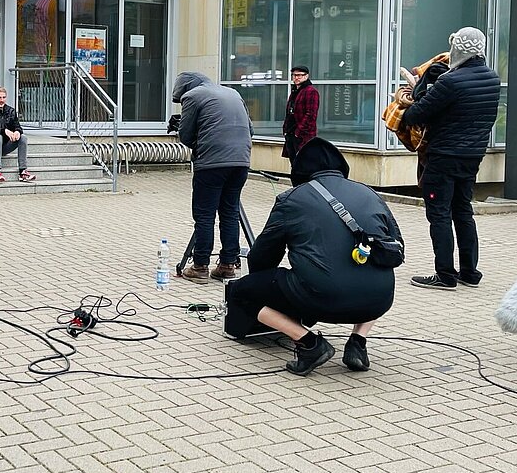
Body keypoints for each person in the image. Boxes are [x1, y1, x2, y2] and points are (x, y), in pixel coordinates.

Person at [228, 138, 401, 375]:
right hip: (379, 299)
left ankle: (310, 344)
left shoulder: (292, 199)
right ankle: (357, 344)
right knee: (372, 275)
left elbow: (262, 257)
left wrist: (265, 284)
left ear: (299, 171)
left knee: (241, 292)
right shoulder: (369, 193)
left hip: (323, 298)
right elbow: (396, 247)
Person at [400, 26, 500, 290]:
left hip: (443, 156)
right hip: (472, 157)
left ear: (458, 49)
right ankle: (470, 272)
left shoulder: (449, 82)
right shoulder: (491, 78)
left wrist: (423, 85)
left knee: (439, 214)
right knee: (463, 211)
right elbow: (462, 105)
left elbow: (414, 115)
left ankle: (445, 275)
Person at [171, 71, 253, 283]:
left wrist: (190, 133)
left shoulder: (192, 96)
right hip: (241, 162)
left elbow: (186, 135)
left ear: (185, 89)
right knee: (229, 213)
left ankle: (200, 267)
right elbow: (250, 129)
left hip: (212, 164)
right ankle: (227, 265)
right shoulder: (232, 92)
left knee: (205, 215)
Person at [0, 87, 36, 183]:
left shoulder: (11, 111)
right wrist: (3, 131)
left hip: (4, 147)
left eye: (3, 97)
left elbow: (18, 127)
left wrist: (18, 131)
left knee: (23, 137)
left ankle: (23, 171)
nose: (2, 100)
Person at [282, 65, 319, 160]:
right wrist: (286, 130)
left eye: (299, 75)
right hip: (291, 134)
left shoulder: (311, 91)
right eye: (294, 75)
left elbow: (311, 114)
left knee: (303, 163)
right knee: (294, 164)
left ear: (306, 76)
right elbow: (289, 112)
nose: (296, 78)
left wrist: (298, 132)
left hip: (302, 136)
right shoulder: (295, 91)